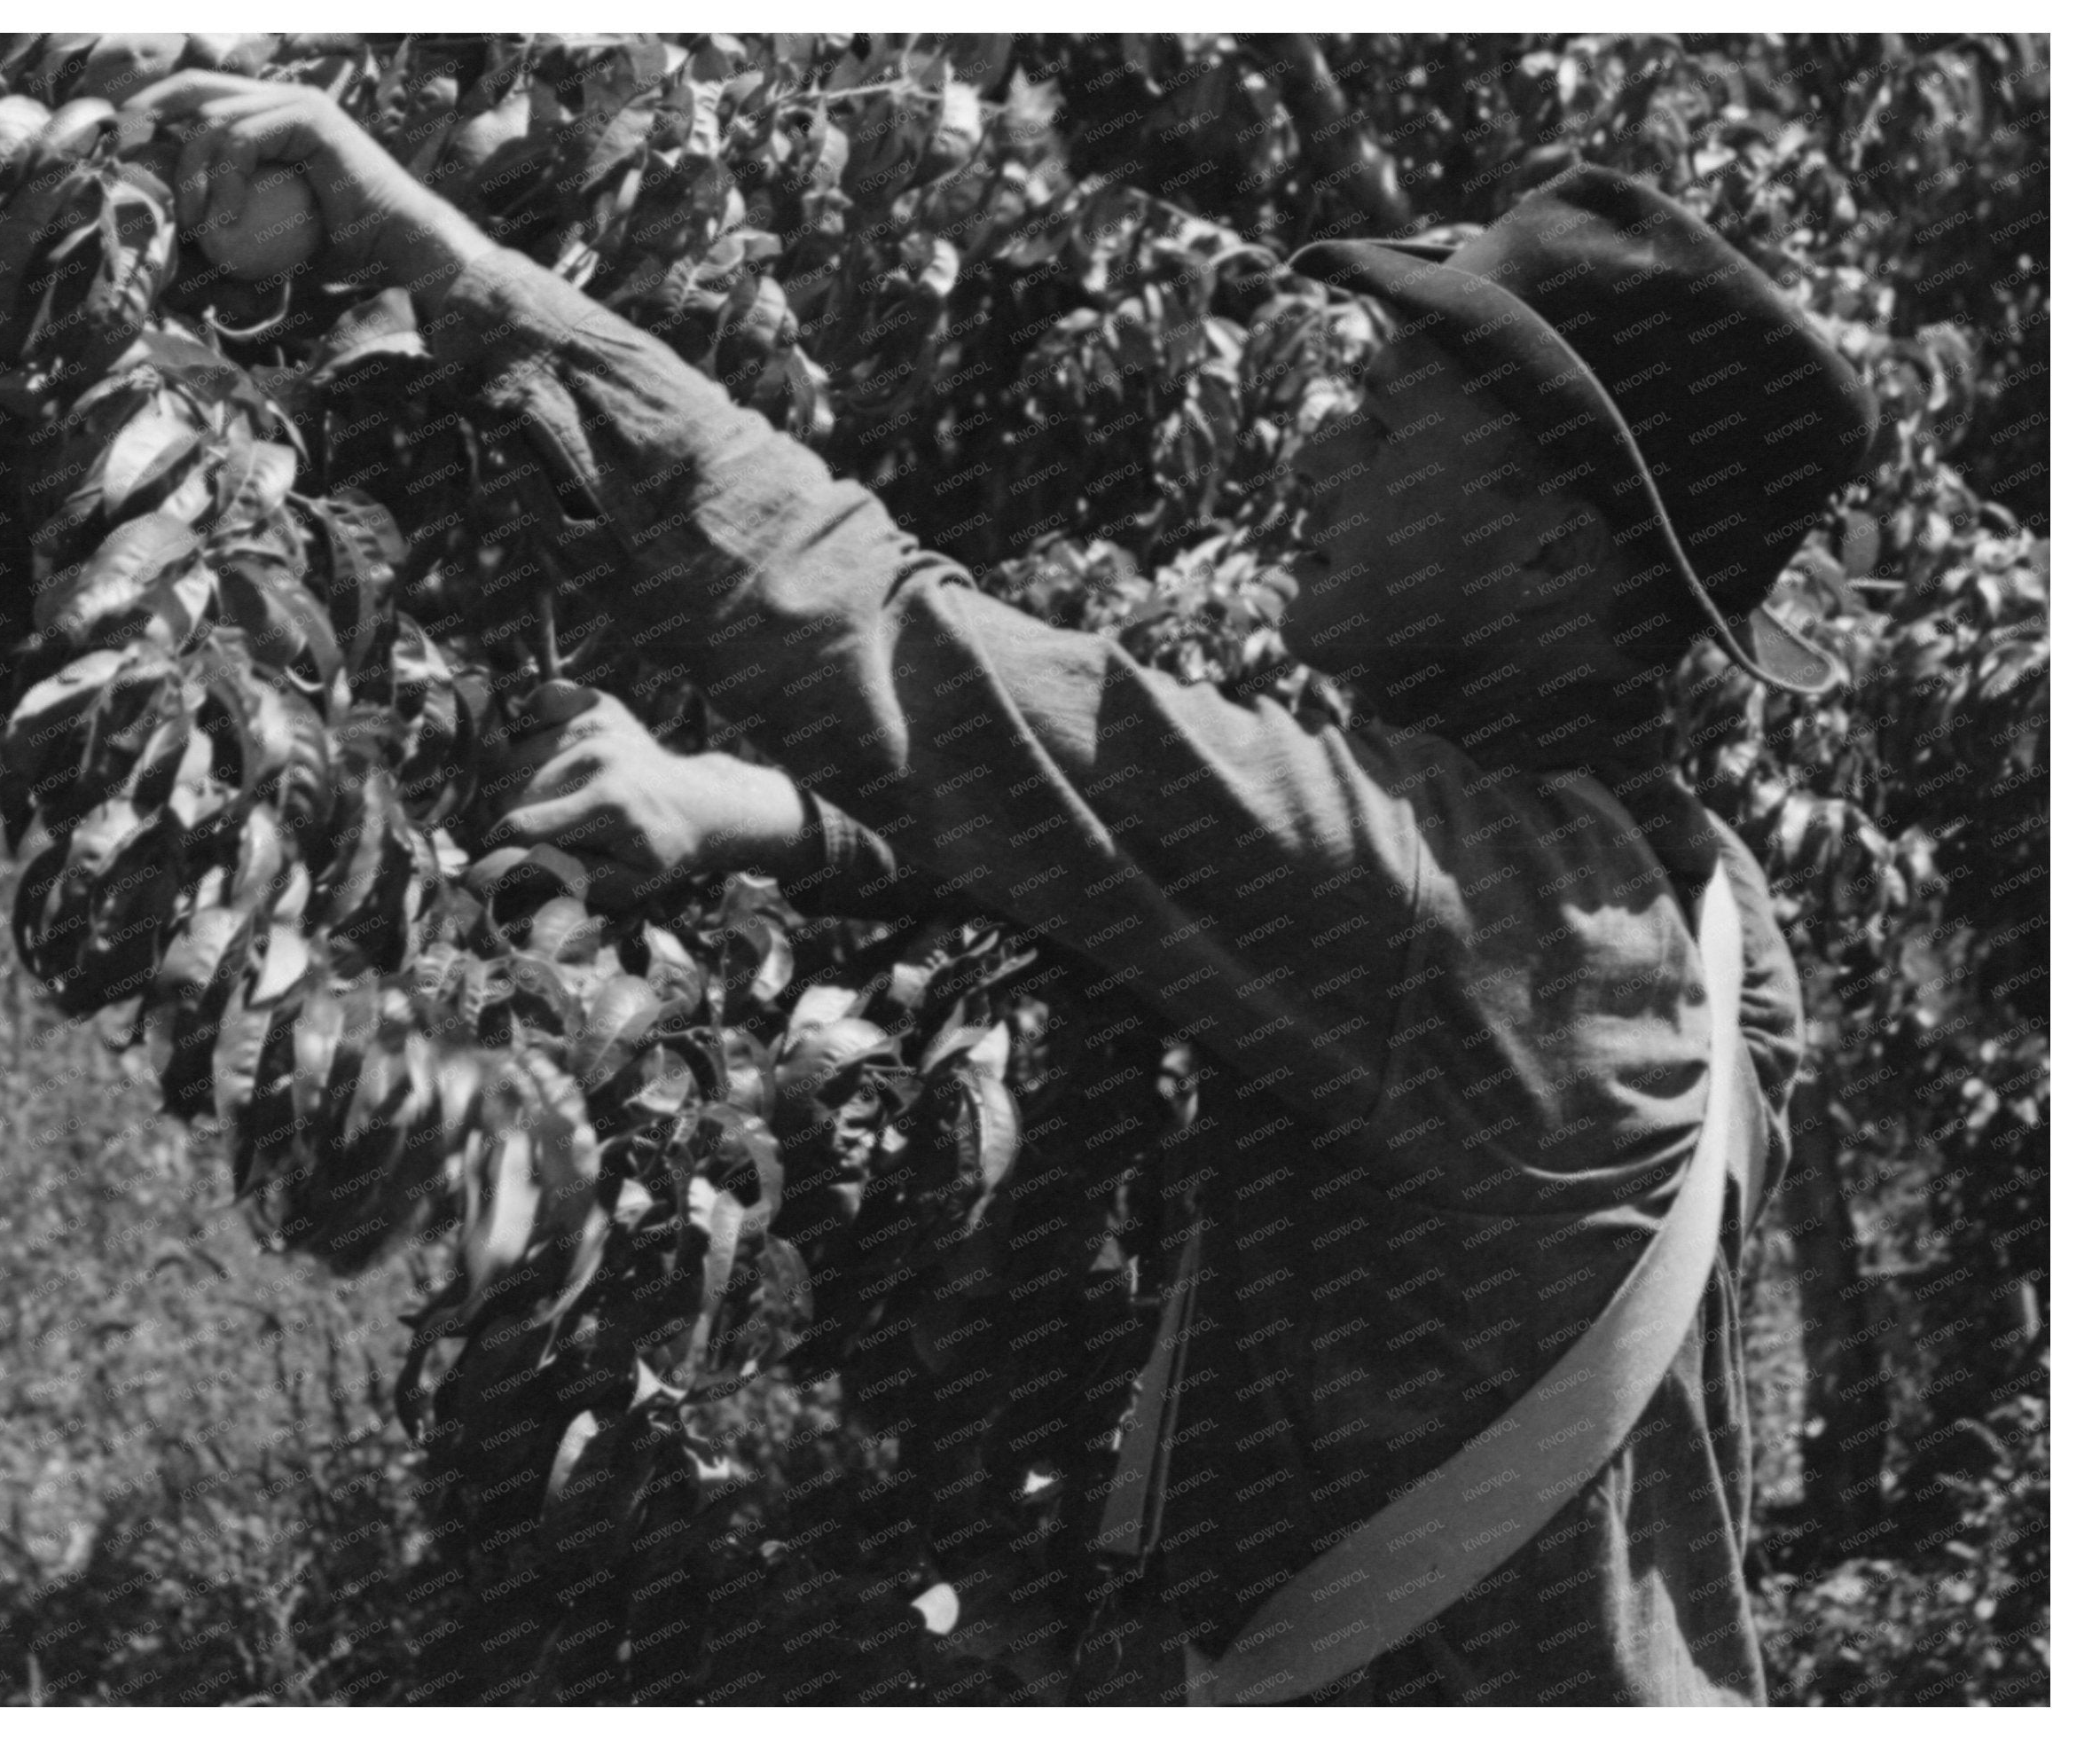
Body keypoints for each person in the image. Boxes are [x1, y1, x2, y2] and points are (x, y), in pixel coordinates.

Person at [137, 72, 1879, 1705]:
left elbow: (882, 622)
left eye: (1382, 417)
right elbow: (1202, 891)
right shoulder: (1711, 923)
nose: (1317, 449)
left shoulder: (1427, 902)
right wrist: (761, 814)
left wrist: (423, 248)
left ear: (1548, 555)